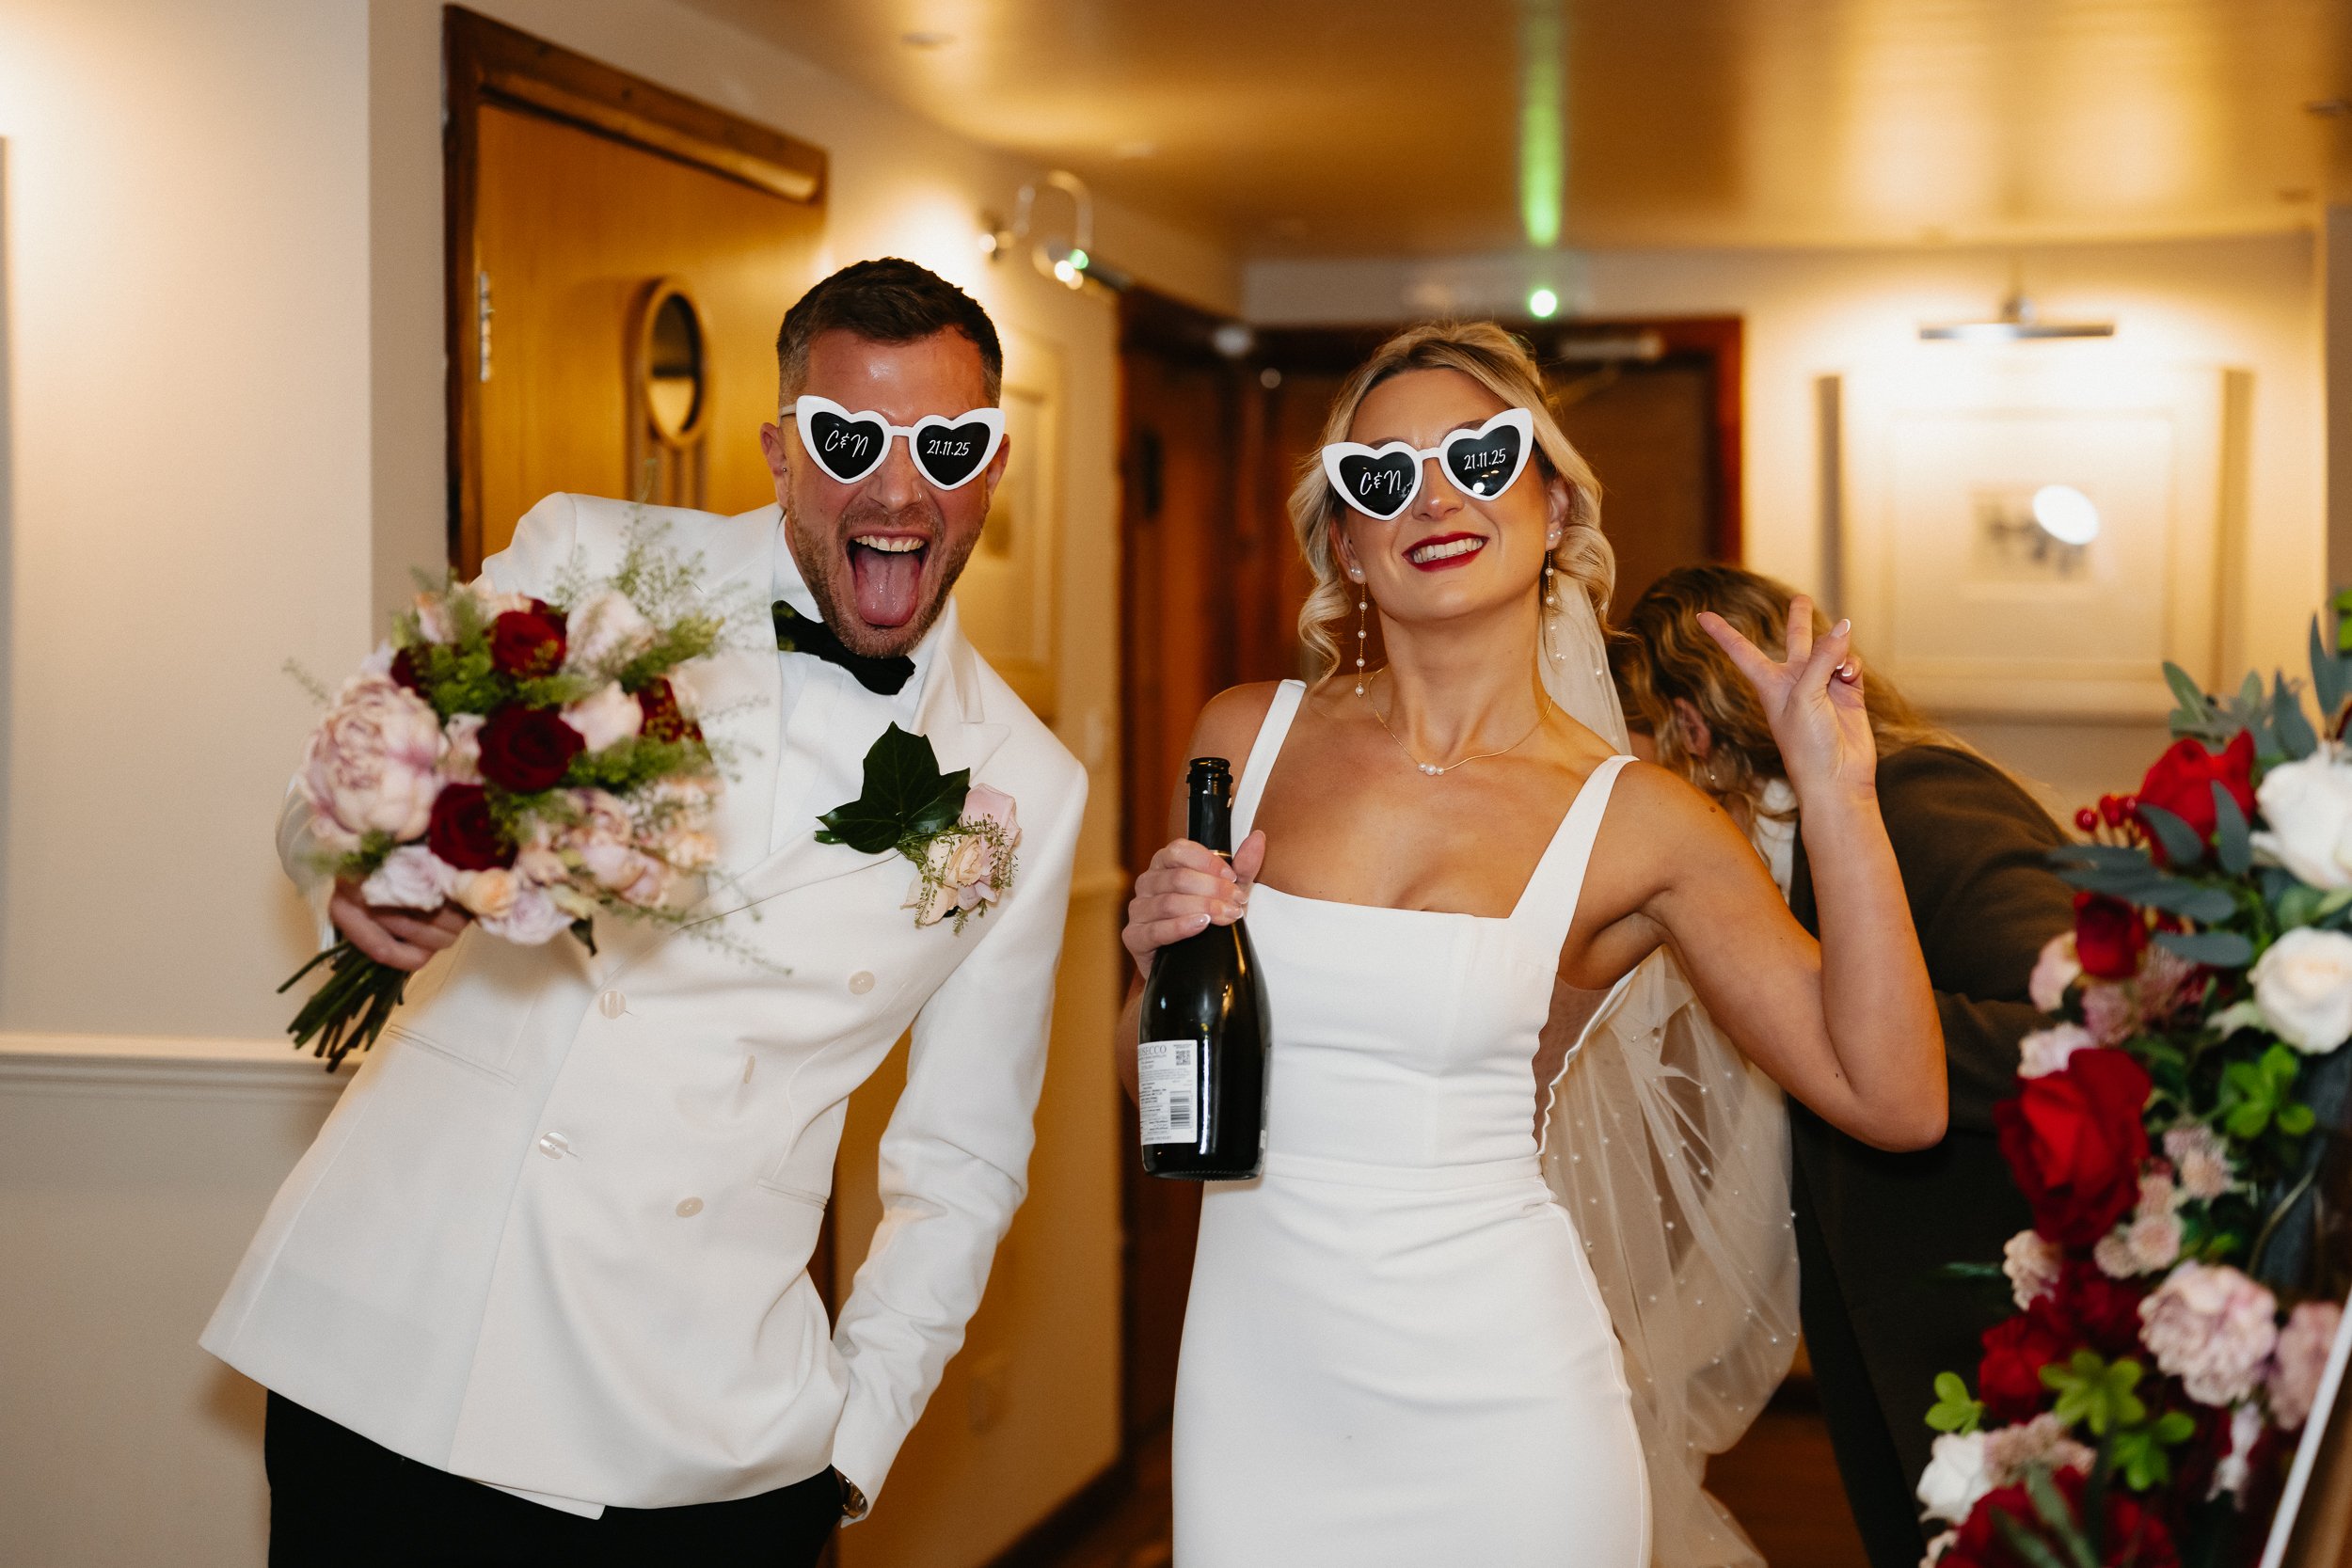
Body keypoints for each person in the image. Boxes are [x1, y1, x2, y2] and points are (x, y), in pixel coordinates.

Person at [204, 259, 1089, 1567]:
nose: (898, 490)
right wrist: (345, 864)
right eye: (851, 440)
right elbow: (358, 755)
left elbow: (962, 1159)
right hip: (407, 1344)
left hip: (708, 1425)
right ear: (783, 451)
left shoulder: (1027, 785)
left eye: (943, 445)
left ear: (993, 467)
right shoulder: (598, 558)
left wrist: (856, 1436)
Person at [1117, 321, 1947, 1568]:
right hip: (1257, 1388)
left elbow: (1894, 1096)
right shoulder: (1245, 739)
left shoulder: (1640, 818)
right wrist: (1155, 956)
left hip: (1508, 1409)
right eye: (1382, 475)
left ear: (1554, 500)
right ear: (1345, 540)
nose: (1435, 497)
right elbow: (1148, 1080)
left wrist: (1839, 795)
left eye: (1482, 455)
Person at [1614, 564, 2070, 1568]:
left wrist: (1851, 1027)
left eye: (1626, 755)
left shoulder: (1916, 802)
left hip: (2006, 1321)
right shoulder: (1752, 877)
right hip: (1890, 1330)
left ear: (1687, 730)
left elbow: (2079, 1024)